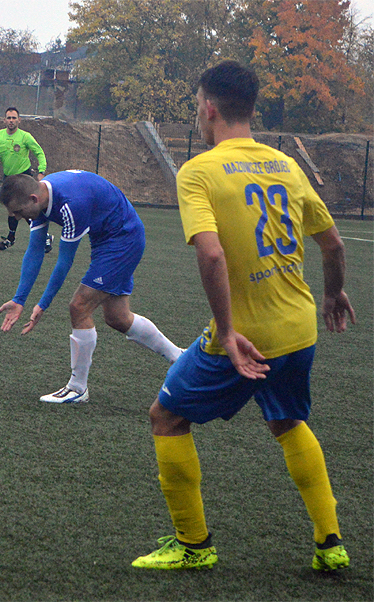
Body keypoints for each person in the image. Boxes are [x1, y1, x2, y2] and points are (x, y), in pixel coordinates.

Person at [131, 61, 355, 571]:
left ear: (209, 109)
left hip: (246, 336)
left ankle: (194, 546)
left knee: (166, 417)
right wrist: (334, 294)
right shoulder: (285, 165)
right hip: (299, 327)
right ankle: (330, 543)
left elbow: (211, 255)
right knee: (288, 419)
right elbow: (333, 243)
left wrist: (228, 332)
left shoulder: (199, 171)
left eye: (195, 106)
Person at [0, 170, 182, 403]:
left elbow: (64, 262)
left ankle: (77, 388)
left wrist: (42, 305)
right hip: (105, 238)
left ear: (33, 199)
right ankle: (180, 358)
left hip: (123, 238)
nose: (15, 216)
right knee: (118, 318)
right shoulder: (40, 199)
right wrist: (19, 299)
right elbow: (35, 251)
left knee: (79, 306)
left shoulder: (70, 204)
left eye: (18, 211)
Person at [0, 107, 52, 253]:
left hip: (24, 178)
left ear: (19, 120)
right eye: (8, 118)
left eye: (14, 118)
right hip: (8, 179)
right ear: (4, 120)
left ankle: (44, 237)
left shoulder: (25, 136)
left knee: (26, 210)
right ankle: (11, 238)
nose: (11, 121)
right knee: (11, 210)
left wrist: (41, 171)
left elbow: (39, 152)